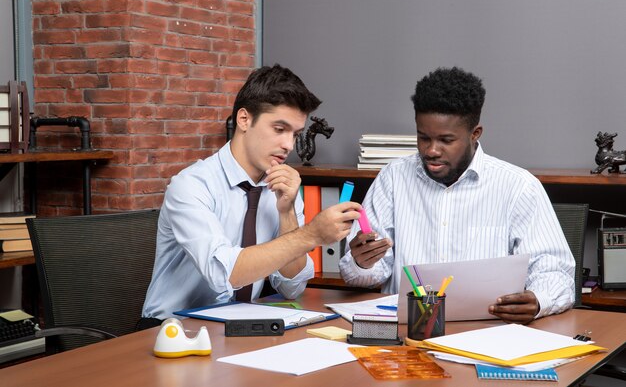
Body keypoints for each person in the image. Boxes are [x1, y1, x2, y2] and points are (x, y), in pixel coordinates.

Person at [339, 67, 575, 324]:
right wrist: (362, 263)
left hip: (487, 335)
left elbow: (555, 271)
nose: (431, 150)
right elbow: (361, 277)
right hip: (409, 336)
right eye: (423, 137)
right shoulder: (393, 178)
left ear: (475, 134)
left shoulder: (518, 186)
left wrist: (538, 299)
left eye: (446, 140)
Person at [143, 64, 361, 320]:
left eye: (296, 134)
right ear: (244, 119)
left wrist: (287, 211)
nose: (288, 145)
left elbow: (291, 288)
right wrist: (311, 234)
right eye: (279, 130)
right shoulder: (191, 185)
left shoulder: (282, 185)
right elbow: (225, 274)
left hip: (238, 329)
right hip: (173, 331)